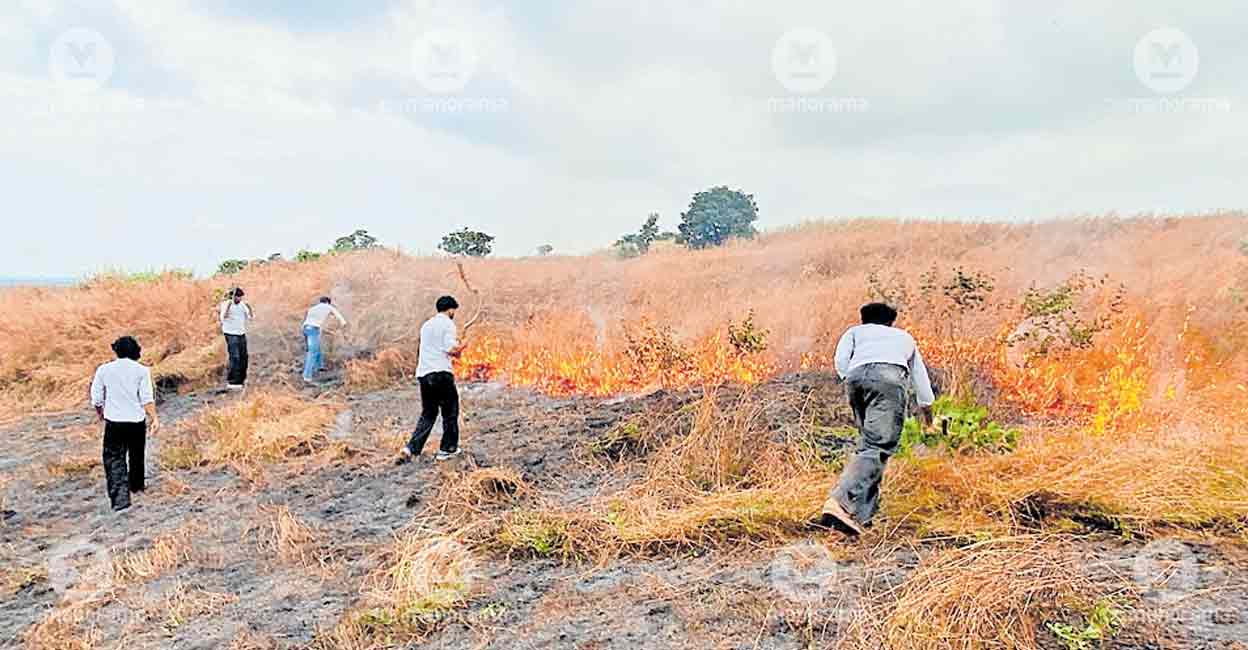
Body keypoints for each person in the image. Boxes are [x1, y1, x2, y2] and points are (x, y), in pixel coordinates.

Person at [820, 302, 935, 535]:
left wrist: (851, 379)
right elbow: (921, 383)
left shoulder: (854, 332)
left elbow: (841, 360)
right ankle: (839, 502)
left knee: (868, 446)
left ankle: (861, 517)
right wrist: (929, 420)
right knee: (878, 446)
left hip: (855, 379)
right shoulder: (903, 338)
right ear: (891, 322)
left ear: (864, 319)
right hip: (889, 380)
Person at [90, 336, 160, 512]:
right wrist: (154, 418)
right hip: (136, 420)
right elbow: (146, 398)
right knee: (136, 454)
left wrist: (101, 413)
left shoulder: (104, 370)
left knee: (114, 458)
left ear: (116, 350)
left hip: (114, 421)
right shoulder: (142, 371)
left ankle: (120, 497)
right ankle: (136, 486)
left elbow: (97, 397)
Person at [398, 295, 466, 463]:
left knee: (428, 413)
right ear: (450, 309)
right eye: (454, 311)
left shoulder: (426, 325)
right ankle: (447, 449)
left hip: (424, 374)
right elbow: (450, 349)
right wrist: (462, 346)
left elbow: (435, 348)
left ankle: (411, 448)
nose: (453, 313)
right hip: (441, 374)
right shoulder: (448, 324)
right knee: (450, 412)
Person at [301, 296, 348, 383]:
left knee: (316, 348)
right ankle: (306, 376)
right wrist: (344, 327)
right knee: (312, 352)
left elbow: (307, 321)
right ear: (328, 302)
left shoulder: (312, 308)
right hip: (313, 330)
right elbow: (340, 318)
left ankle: (319, 367)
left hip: (305, 329)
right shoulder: (329, 307)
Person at [218, 287, 253, 390]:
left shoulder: (242, 305)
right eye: (237, 297)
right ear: (233, 297)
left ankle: (241, 380)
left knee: (244, 357)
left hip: (241, 333)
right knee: (235, 356)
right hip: (230, 333)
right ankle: (232, 381)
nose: (239, 299)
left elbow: (250, 317)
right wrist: (229, 306)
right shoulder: (226, 304)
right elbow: (223, 317)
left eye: (240, 297)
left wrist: (250, 309)